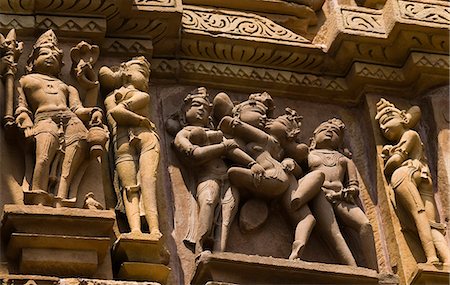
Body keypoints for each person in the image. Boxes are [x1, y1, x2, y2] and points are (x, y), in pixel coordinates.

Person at [15, 30, 102, 206]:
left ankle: (62, 200)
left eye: (54, 54)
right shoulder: (25, 80)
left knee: (69, 166)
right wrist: (25, 120)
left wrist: (93, 112)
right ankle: (38, 198)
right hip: (44, 120)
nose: (50, 56)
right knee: (43, 157)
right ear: (32, 60)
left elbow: (77, 109)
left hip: (71, 120)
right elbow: (21, 106)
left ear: (61, 64)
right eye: (44, 53)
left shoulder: (67, 87)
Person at [172, 87, 262, 253]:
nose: (201, 110)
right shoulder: (184, 134)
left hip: (228, 178)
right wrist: (222, 146)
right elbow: (195, 154)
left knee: (227, 216)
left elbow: (232, 150)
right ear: (184, 112)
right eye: (197, 105)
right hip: (208, 177)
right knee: (208, 202)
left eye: (206, 109)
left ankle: (220, 253)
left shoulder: (214, 134)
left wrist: (251, 164)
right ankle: (200, 248)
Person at [376, 98, 449, 264]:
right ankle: (446, 259)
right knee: (430, 223)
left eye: (387, 120)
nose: (383, 127)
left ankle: (431, 257)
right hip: (423, 177)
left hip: (406, 174)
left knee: (418, 214)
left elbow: (395, 161)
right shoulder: (411, 136)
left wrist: (389, 156)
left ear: (403, 118)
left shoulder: (409, 134)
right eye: (381, 126)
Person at [100, 56, 161, 237]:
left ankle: (154, 229)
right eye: (142, 73)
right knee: (128, 187)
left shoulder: (142, 95)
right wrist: (142, 120)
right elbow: (116, 112)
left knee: (148, 181)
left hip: (142, 139)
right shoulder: (112, 97)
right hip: (124, 141)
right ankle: (135, 229)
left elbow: (118, 112)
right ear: (127, 73)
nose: (146, 80)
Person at [307, 118, 378, 270]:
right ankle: (353, 269)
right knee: (333, 232)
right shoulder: (308, 155)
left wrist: (347, 192)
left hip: (341, 196)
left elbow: (353, 185)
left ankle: (374, 270)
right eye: (324, 129)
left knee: (365, 225)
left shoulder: (344, 159)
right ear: (313, 138)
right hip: (320, 194)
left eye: (335, 132)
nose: (329, 132)